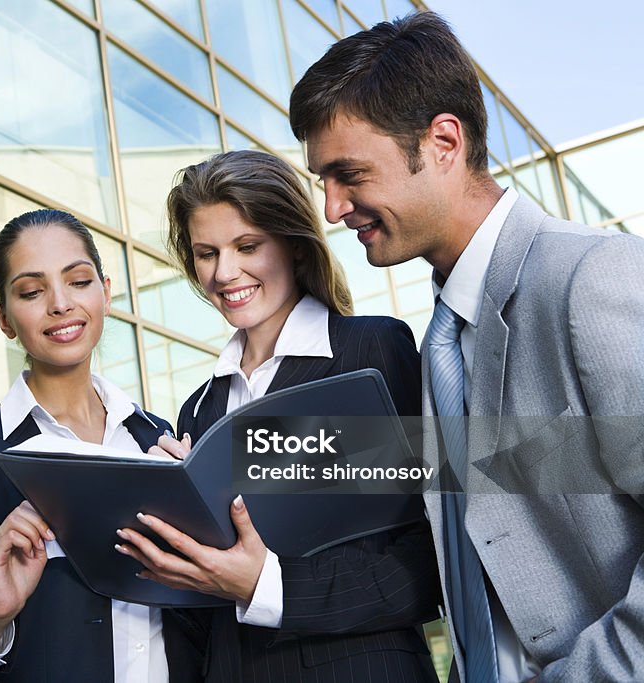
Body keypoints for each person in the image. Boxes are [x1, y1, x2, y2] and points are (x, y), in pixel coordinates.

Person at [290, 11, 644, 683]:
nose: (333, 207)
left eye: (349, 174)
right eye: (323, 182)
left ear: (444, 142)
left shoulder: (591, 279)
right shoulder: (442, 343)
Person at [115, 150, 441, 682]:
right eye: (205, 253)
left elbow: (432, 557)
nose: (224, 273)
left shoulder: (370, 353)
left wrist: (267, 586)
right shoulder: (198, 408)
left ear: (292, 243)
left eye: (247, 246)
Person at [0, 209, 200, 682]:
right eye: (31, 291)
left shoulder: (157, 440)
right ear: (4, 319)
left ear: (106, 293)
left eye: (79, 281)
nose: (60, 303)